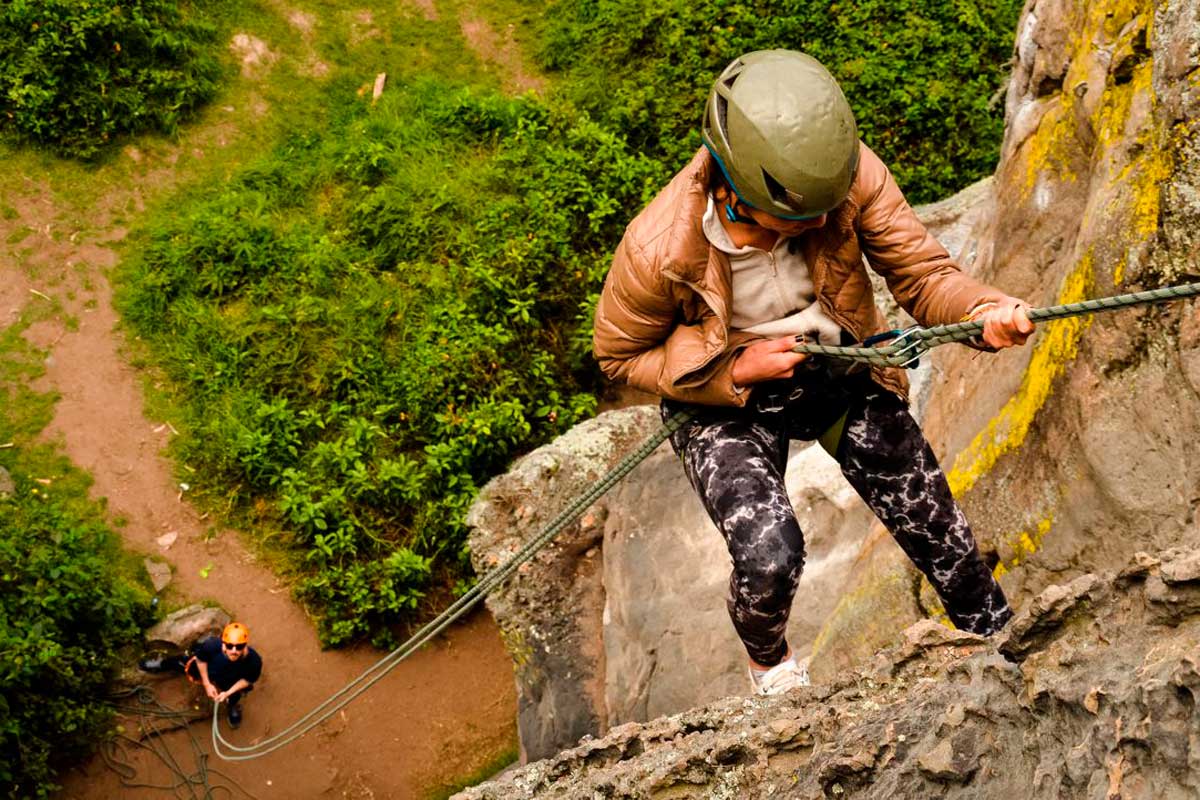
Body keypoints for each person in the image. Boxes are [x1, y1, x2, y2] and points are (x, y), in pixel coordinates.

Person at [592, 49, 1034, 697]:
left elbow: (922, 275)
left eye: (830, 207)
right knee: (769, 555)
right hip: (725, 400)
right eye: (804, 218)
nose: (827, 223)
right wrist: (733, 367)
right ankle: (769, 667)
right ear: (737, 192)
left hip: (835, 365)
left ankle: (999, 639)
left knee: (940, 528)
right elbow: (619, 359)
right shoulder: (658, 247)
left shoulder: (847, 178)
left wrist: (982, 310)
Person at [139, 622, 264, 728]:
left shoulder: (254, 661)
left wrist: (228, 692)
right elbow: (200, 660)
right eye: (230, 646)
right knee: (184, 663)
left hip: (231, 679)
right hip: (210, 669)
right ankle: (165, 663)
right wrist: (207, 684)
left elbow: (247, 680)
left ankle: (232, 706)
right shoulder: (212, 646)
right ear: (223, 642)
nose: (234, 651)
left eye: (239, 646)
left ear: (245, 645)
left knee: (234, 695)